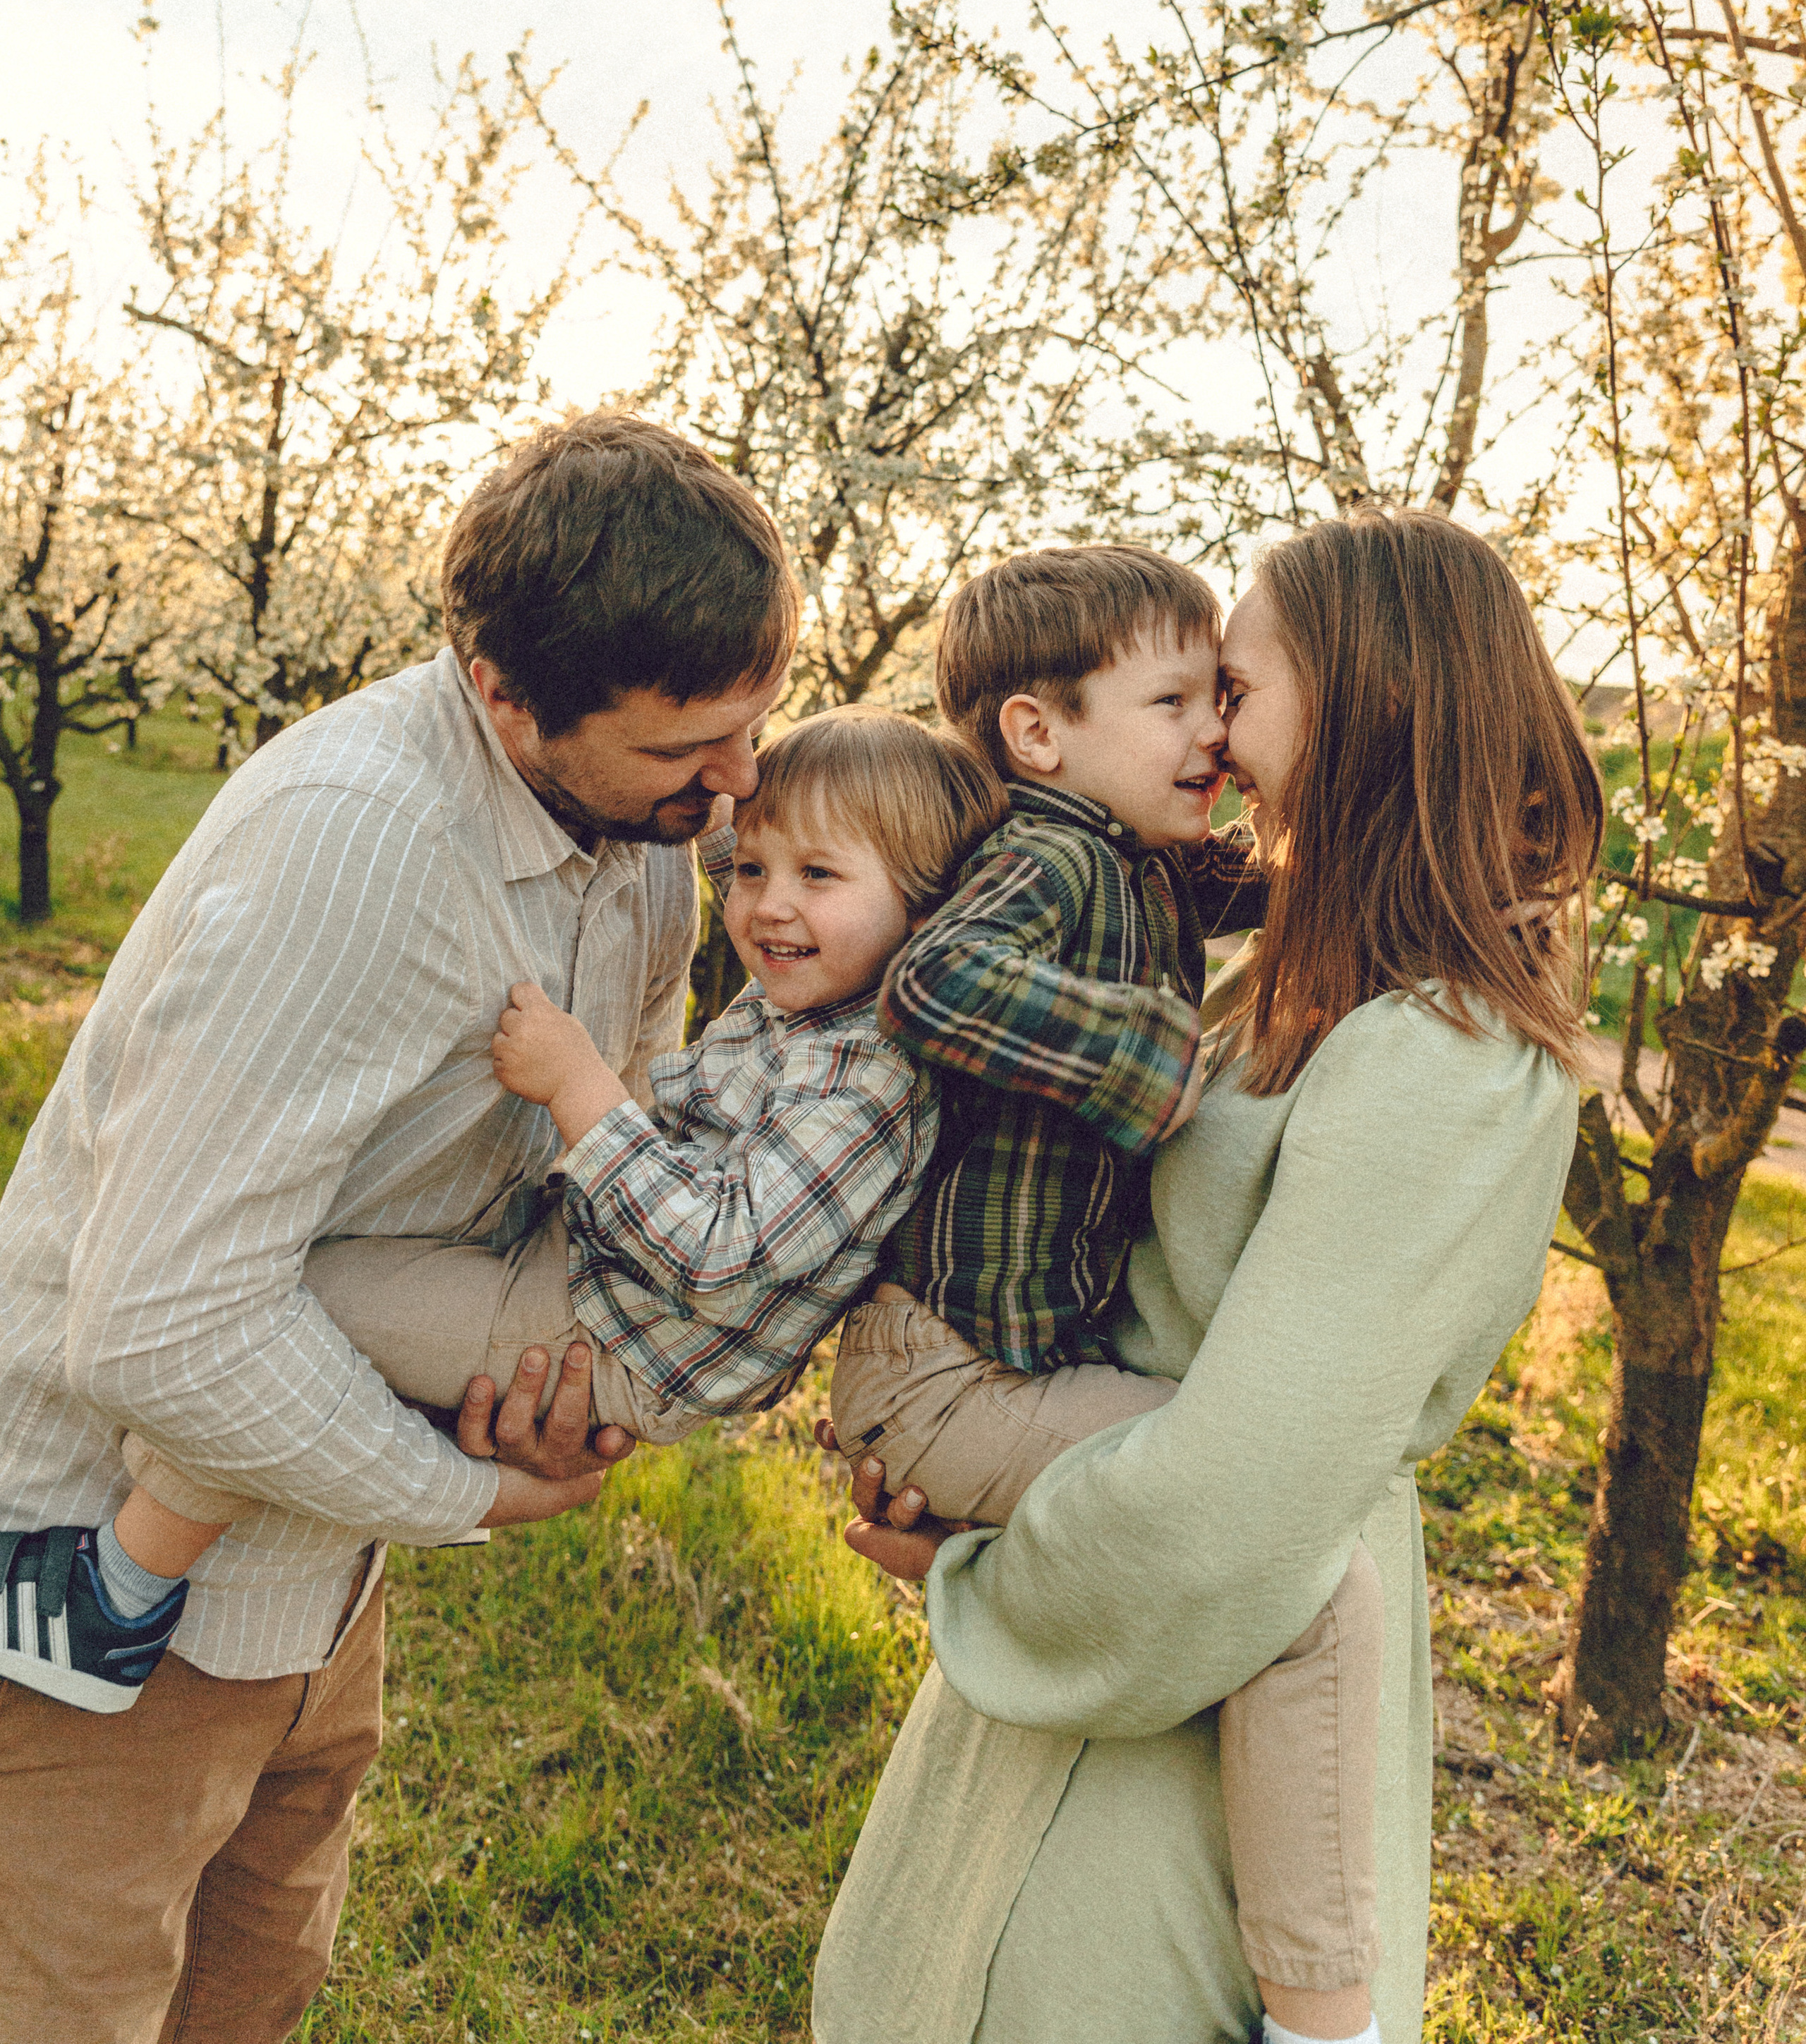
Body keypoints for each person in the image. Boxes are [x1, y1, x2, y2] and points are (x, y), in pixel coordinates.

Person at [0, 409, 796, 2044]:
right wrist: (471, 1488)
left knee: (253, 1989)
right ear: (503, 690)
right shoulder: (360, 850)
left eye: (752, 721)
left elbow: (591, 1147)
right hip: (97, 1596)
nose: (732, 785)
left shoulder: (643, 836)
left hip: (310, 1573)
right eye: (681, 749)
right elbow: (158, 1322)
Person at [813, 509, 1602, 2044]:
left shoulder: (1441, 1054)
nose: (1210, 731)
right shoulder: (1295, 978)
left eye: (1231, 689)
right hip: (1097, 1603)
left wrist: (982, 1575)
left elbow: (1240, 1496)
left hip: (1192, 1676)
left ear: (1366, 698)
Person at [823, 544, 1382, 2041]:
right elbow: (934, 984)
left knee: (1241, 1519)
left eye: (1223, 697)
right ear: (1034, 732)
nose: (1211, 733)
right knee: (1278, 1549)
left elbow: (1295, 872)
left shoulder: (1133, 853)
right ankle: (1324, 2012)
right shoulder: (1050, 853)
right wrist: (1149, 1057)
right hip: (948, 1377)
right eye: (1174, 699)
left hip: (978, 1367)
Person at [104, 710, 1006, 1586]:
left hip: (602, 1334)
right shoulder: (834, 989)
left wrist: (582, 1088)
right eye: (755, 871)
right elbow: (752, 843)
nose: (769, 905)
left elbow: (726, 1255)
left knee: (290, 1307)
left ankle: (116, 1585)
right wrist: (721, 796)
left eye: (817, 874)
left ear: (926, 907)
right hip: (598, 1283)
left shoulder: (865, 1081)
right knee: (315, 1310)